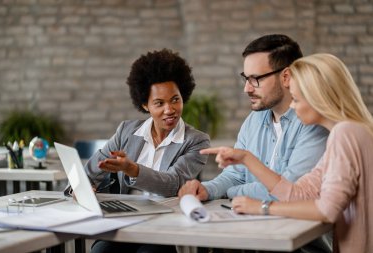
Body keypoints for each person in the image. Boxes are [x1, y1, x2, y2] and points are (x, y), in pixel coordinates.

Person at [201, 53, 373, 252]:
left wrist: (262, 208)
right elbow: (299, 193)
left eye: (297, 99)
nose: (292, 105)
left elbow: (328, 210)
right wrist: (246, 158)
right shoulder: (354, 131)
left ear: (318, 98)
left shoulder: (345, 134)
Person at [178, 34, 329, 202]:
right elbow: (235, 175)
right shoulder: (253, 120)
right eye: (246, 78)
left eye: (256, 79)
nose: (247, 88)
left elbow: (290, 191)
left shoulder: (313, 122)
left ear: (286, 77)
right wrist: (207, 189)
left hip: (296, 225)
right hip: (255, 221)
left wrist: (231, 192)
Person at [88, 48, 210, 253]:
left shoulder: (196, 141)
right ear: (145, 105)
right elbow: (92, 170)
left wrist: (133, 170)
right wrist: (79, 188)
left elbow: (173, 184)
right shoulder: (126, 131)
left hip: (165, 225)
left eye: (175, 99)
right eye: (159, 103)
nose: (169, 109)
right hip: (125, 219)